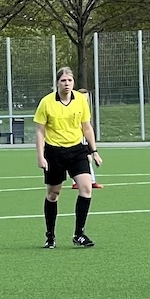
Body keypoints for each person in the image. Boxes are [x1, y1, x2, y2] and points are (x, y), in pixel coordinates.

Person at [34, 67, 102, 249]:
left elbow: (86, 127)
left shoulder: (80, 100)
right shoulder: (46, 102)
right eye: (63, 80)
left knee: (86, 188)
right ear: (57, 83)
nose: (67, 84)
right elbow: (40, 131)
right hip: (54, 151)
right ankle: (50, 236)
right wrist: (40, 156)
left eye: (70, 80)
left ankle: (79, 234)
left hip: (77, 150)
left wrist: (94, 151)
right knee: (53, 194)